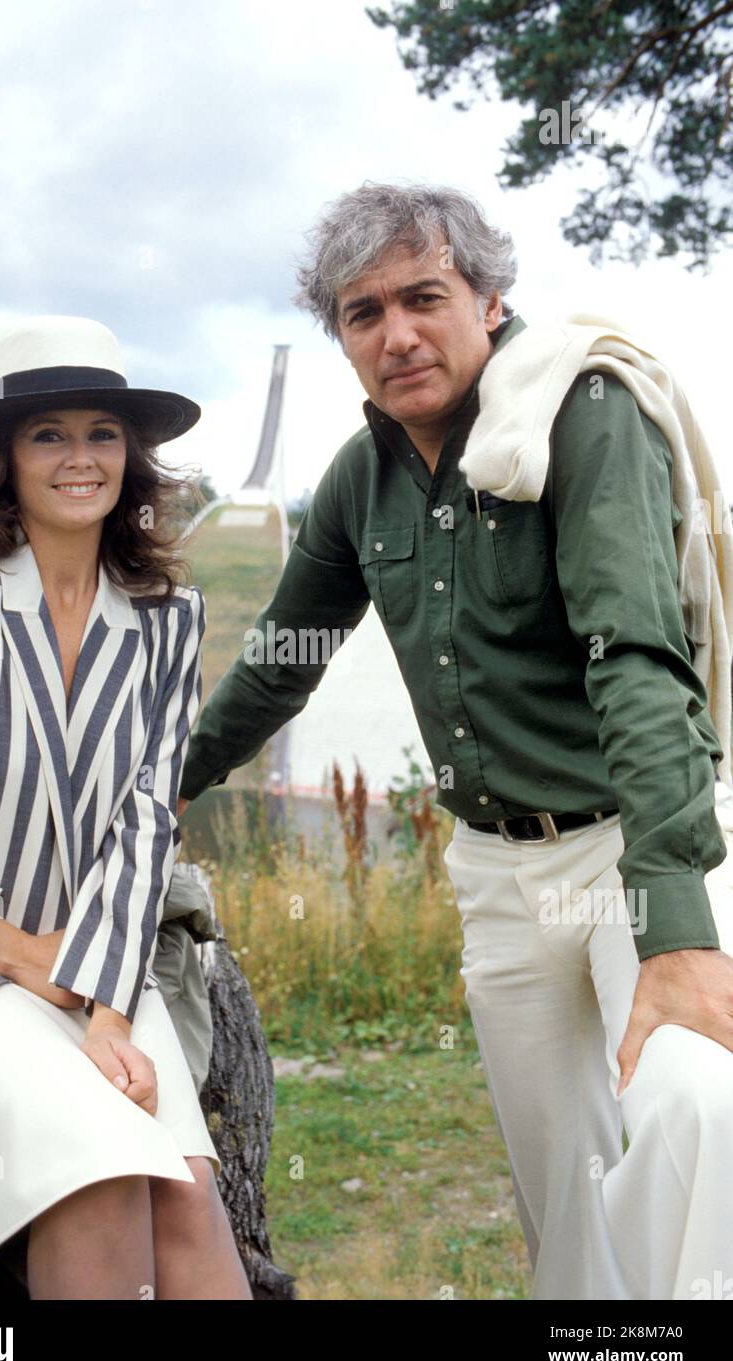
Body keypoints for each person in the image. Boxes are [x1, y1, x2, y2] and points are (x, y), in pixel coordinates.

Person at [176, 183, 733, 1301]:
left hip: (633, 841)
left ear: (489, 298)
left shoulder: (583, 413)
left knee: (692, 1101)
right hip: (494, 871)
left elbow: (632, 652)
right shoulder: (358, 478)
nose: (396, 335)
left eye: (423, 297)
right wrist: (153, 782)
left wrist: (674, 917)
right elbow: (282, 657)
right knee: (560, 1195)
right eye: (361, 312)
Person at [0, 314, 251, 1300]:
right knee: (102, 1170)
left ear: (133, 453)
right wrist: (24, 957)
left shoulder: (167, 617)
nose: (81, 457)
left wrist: (110, 1004)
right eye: (49, 434)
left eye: (102, 432)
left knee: (188, 1206)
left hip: (98, 971)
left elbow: (144, 825)